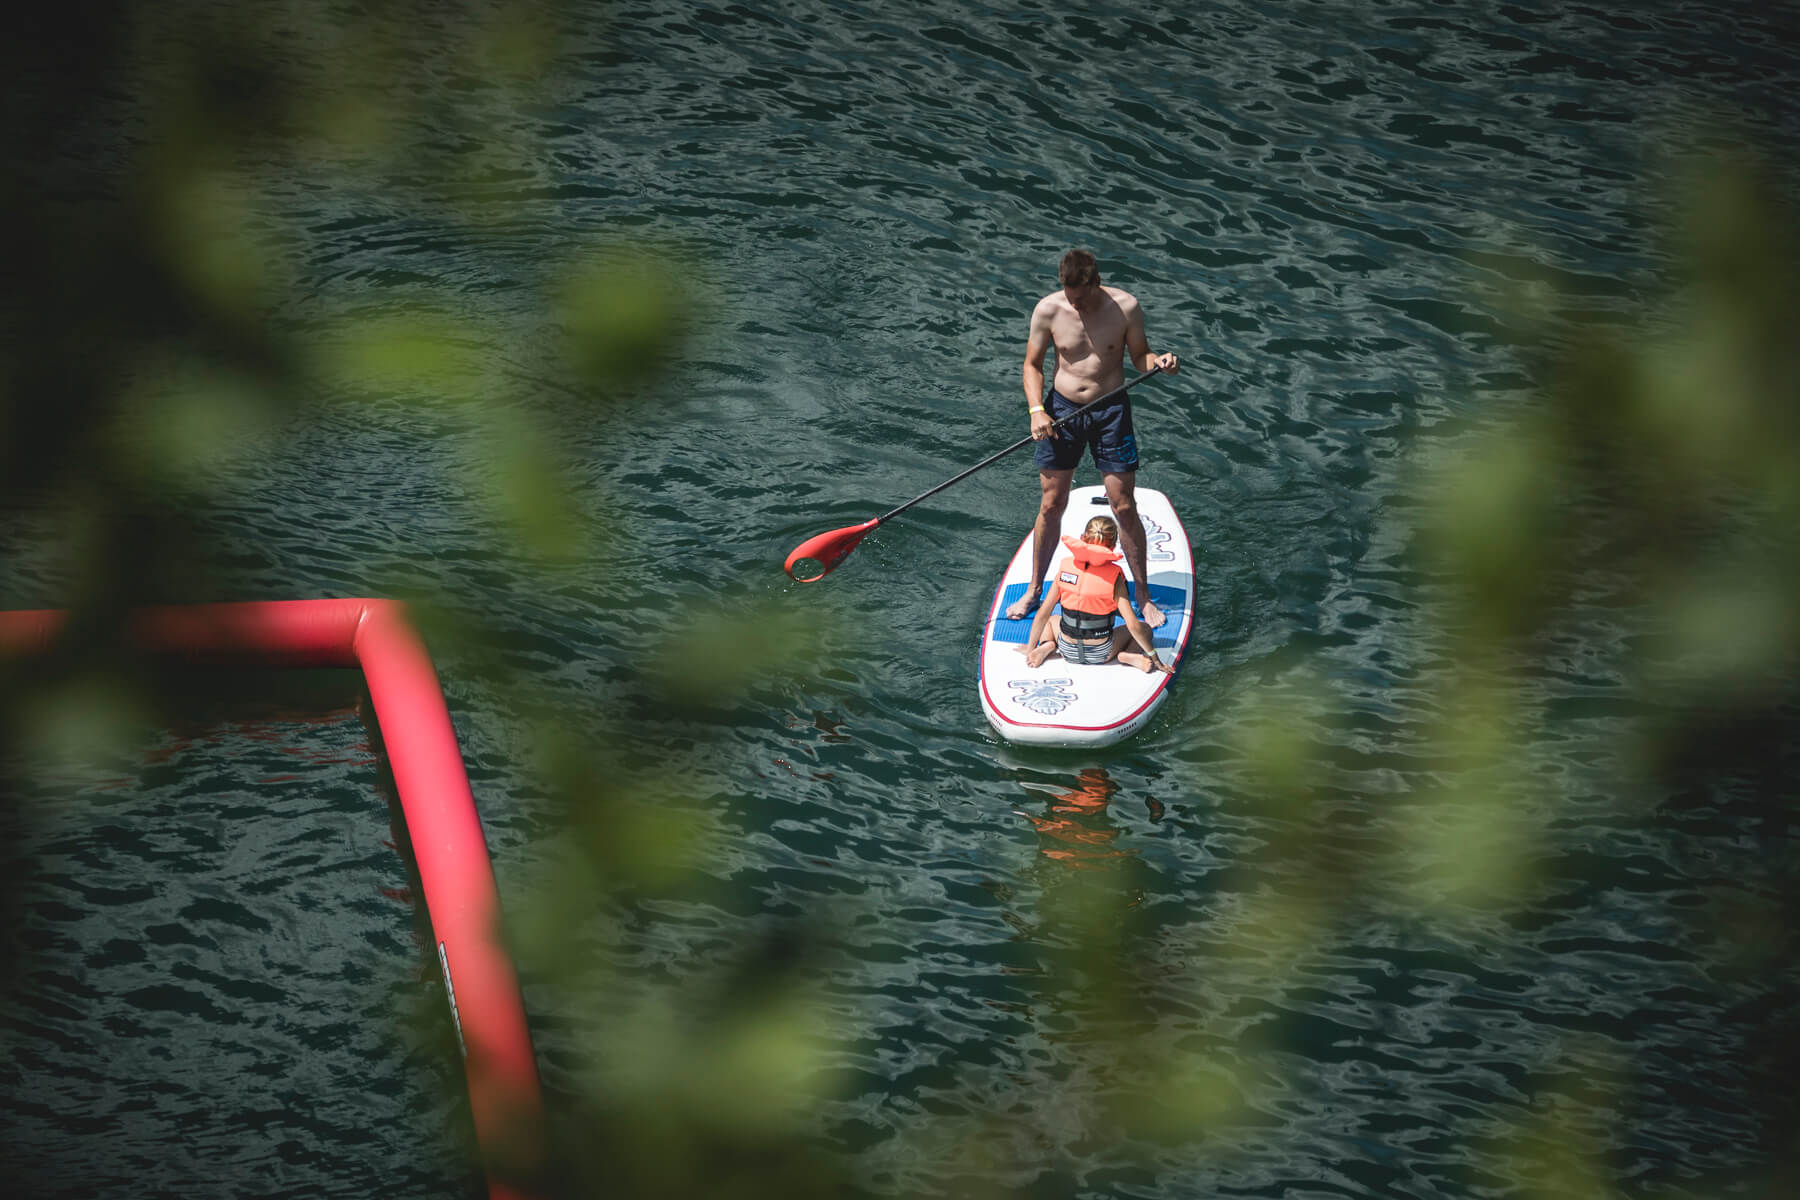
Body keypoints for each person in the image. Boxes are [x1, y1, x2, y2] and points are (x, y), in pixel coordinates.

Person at [1004, 248, 1179, 626]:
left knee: (1124, 506)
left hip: (1111, 411)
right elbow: (1032, 365)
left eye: (1081, 298)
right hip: (1061, 412)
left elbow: (1141, 356)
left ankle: (1143, 594)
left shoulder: (1126, 308)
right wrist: (1036, 410)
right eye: (1070, 298)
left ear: (1096, 282)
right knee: (1051, 504)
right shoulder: (1048, 310)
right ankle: (1034, 589)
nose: (1076, 305)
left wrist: (1159, 363)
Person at [1020, 516, 1173, 674]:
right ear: (1112, 546)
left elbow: (1042, 614)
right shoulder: (1114, 577)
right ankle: (1129, 654)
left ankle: (1046, 645)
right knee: (1145, 629)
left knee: (1051, 619)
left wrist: (1030, 647)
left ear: (1082, 538)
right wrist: (1156, 659)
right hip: (1102, 652)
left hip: (1067, 649)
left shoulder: (1066, 567)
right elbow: (1133, 625)